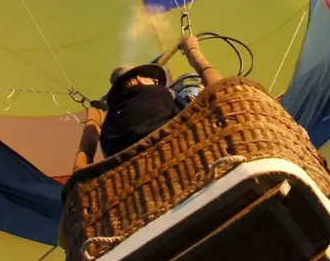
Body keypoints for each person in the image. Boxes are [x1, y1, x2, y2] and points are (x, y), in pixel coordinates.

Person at [72, 35, 221, 171]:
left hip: (130, 180)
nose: (156, 82)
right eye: (151, 79)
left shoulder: (106, 124)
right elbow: (193, 119)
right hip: (179, 160)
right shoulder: (161, 94)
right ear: (139, 79)